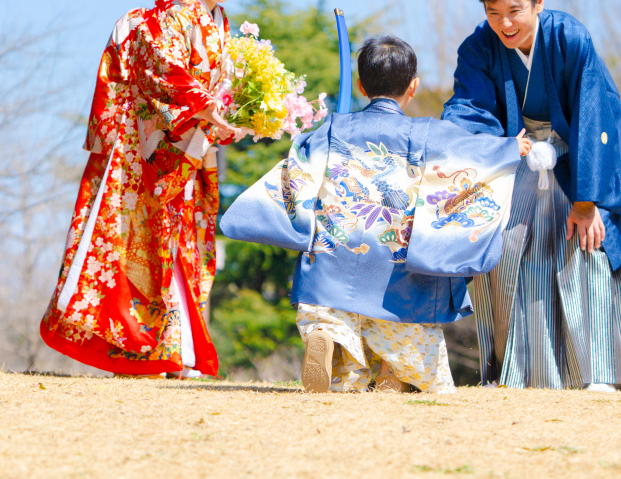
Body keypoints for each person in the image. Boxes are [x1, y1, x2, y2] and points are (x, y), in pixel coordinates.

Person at [220, 35, 530, 394]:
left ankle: (327, 338)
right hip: (397, 268)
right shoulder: (427, 132)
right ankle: (393, 372)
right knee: (408, 337)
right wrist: (510, 148)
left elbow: (297, 170)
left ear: (360, 85)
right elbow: (474, 153)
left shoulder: (334, 128)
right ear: (413, 86)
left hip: (333, 256)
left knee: (335, 329)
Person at [41, 0, 252, 376]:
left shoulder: (218, 23)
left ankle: (176, 351)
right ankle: (166, 352)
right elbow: (163, 69)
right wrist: (203, 106)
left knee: (182, 246)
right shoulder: (175, 11)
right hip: (152, 154)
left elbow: (213, 90)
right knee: (152, 246)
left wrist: (239, 117)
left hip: (187, 152)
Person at [441, 0, 621, 392]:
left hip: (579, 159)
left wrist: (586, 200)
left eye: (514, 10)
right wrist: (498, 147)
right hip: (516, 160)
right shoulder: (478, 47)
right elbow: (469, 109)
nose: (505, 24)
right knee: (507, 251)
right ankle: (516, 371)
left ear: (539, 1)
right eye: (494, 13)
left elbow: (594, 116)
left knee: (588, 245)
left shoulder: (571, 38)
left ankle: (598, 372)